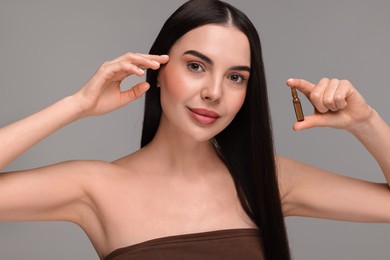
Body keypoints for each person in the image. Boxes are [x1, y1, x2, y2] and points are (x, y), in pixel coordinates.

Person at [0, 0, 389, 259]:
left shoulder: (267, 178)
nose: (214, 92)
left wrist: (366, 121)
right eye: (196, 66)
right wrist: (77, 105)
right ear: (158, 68)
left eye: (236, 77)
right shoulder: (94, 186)